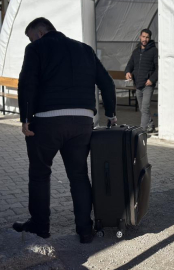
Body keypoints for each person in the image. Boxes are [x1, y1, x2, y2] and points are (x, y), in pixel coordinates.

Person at [13, 17, 117, 243]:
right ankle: (85, 229)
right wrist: (111, 113)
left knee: (40, 174)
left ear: (40, 33)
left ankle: (40, 227)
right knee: (78, 175)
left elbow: (27, 82)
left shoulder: (36, 48)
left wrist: (25, 119)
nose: (31, 40)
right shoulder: (85, 50)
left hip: (46, 121)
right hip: (82, 122)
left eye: (31, 36)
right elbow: (107, 83)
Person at [125, 29, 158, 133]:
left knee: (145, 107)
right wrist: (127, 72)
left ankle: (142, 130)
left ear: (150, 38)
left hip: (148, 84)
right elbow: (129, 65)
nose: (145, 39)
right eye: (143, 37)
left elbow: (158, 67)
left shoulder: (154, 51)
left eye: (147, 37)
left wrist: (152, 80)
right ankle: (151, 125)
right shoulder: (136, 51)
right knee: (142, 108)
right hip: (138, 84)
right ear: (140, 37)